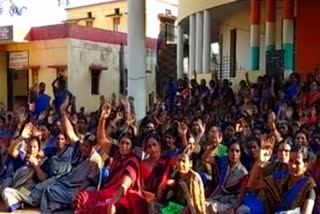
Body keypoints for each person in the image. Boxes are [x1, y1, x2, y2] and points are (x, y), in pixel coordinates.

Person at [74, 102, 147, 214]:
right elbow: (101, 139)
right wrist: (103, 119)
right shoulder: (117, 153)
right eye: (122, 143)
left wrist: (112, 203)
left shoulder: (133, 160)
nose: (124, 146)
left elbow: (125, 185)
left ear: (132, 147)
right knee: (82, 198)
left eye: (127, 144)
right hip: (107, 192)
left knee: (107, 207)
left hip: (124, 195)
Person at [247, 142, 316, 213]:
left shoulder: (308, 187)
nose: (293, 166)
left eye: (297, 163)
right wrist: (260, 161)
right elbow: (252, 185)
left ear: (305, 166)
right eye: (291, 161)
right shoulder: (280, 177)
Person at [203, 141, 248, 213]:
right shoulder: (223, 163)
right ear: (228, 152)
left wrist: (233, 208)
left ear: (240, 154)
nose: (234, 153)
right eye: (232, 150)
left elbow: (241, 196)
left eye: (237, 151)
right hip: (217, 197)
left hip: (231, 201)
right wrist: (212, 148)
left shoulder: (243, 172)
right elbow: (205, 158)